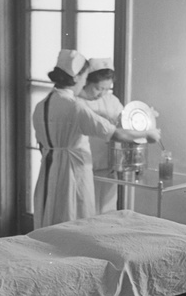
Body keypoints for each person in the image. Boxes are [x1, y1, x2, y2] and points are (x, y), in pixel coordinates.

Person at [33, 49, 161, 229]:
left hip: (51, 168)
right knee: (77, 218)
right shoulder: (75, 107)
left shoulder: (41, 105)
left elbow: (40, 143)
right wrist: (147, 135)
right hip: (75, 170)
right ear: (78, 78)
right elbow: (113, 133)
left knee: (53, 217)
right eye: (85, 78)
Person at [78, 58, 123, 214]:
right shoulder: (77, 103)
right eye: (98, 88)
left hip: (108, 166)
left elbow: (122, 124)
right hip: (85, 166)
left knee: (107, 210)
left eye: (106, 89)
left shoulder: (111, 100)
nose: (102, 94)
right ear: (86, 82)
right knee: (85, 210)